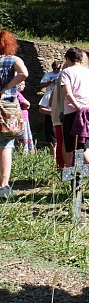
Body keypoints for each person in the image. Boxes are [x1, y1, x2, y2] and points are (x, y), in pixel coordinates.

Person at [60, 47, 89, 166]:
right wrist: (86, 106)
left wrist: (79, 107)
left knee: (77, 146)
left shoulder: (67, 72)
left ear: (68, 59)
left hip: (74, 113)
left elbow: (68, 93)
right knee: (86, 145)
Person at [0, 29, 29, 198]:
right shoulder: (13, 59)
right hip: (7, 107)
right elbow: (24, 74)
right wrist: (8, 86)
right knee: (5, 146)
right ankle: (3, 186)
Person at [39, 61, 61, 159]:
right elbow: (41, 85)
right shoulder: (48, 76)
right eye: (55, 68)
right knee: (53, 141)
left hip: (61, 117)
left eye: (58, 69)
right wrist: (49, 83)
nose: (56, 70)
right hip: (51, 116)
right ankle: (53, 160)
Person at [16, 81, 34, 153]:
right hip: (22, 120)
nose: (24, 86)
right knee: (23, 138)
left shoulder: (19, 94)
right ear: (18, 85)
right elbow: (27, 104)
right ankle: (24, 153)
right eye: (22, 84)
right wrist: (27, 105)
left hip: (24, 119)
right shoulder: (17, 94)